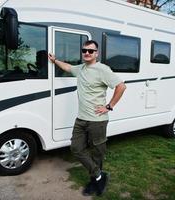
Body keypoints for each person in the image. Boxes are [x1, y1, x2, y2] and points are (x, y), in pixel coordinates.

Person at [48, 40, 126, 196]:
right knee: (76, 148)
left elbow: (121, 86)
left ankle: (94, 181)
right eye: (84, 50)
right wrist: (55, 60)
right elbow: (68, 67)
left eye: (91, 51)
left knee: (97, 153)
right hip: (81, 118)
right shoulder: (81, 69)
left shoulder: (102, 69)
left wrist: (109, 106)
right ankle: (99, 175)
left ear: (96, 53)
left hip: (97, 120)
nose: (87, 53)